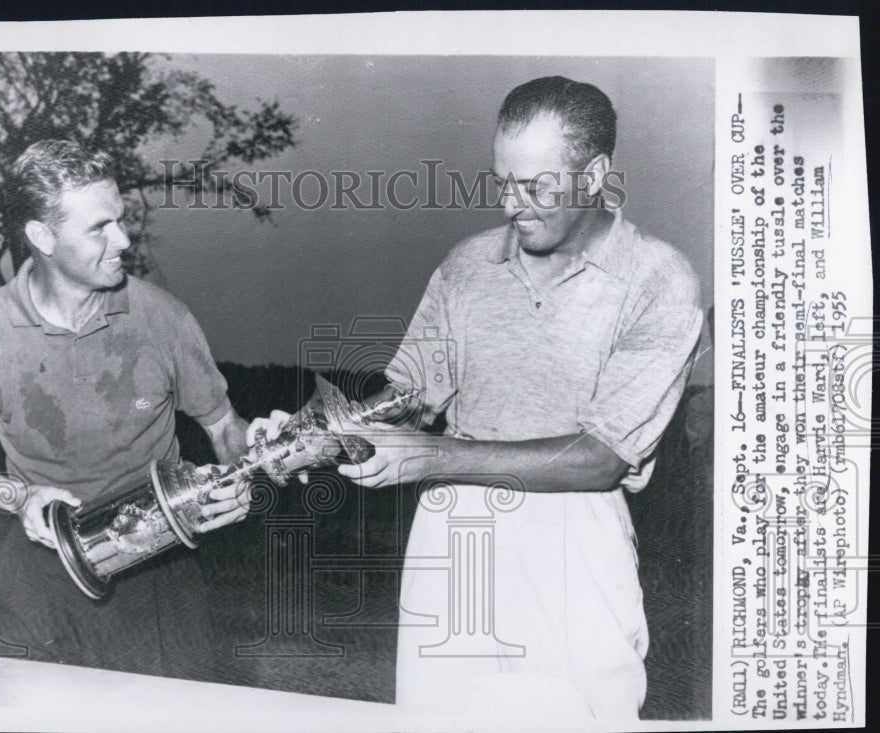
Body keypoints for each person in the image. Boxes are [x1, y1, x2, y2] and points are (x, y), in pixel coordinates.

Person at [256, 76, 702, 723]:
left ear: (597, 173)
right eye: (502, 182)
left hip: (573, 540)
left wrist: (430, 456)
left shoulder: (661, 279)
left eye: (536, 185)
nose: (513, 205)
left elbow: (601, 457)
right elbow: (406, 399)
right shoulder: (467, 264)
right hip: (452, 530)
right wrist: (320, 433)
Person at [0, 139, 251, 676]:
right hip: (45, 566)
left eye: (120, 220)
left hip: (160, 565)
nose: (123, 238)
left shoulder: (163, 318)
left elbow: (222, 426)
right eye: (99, 227)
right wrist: (18, 495)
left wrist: (240, 479)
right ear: (42, 236)